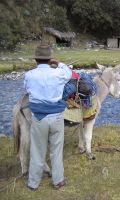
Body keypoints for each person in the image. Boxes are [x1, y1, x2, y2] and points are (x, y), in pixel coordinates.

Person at [25, 44, 72, 190]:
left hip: (38, 118)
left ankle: (33, 183)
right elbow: (68, 73)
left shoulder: (29, 75)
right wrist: (58, 63)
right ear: (49, 59)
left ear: (36, 60)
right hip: (56, 117)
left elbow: (27, 89)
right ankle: (57, 180)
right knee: (56, 150)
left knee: (37, 151)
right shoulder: (58, 73)